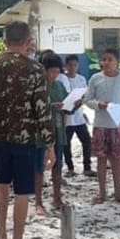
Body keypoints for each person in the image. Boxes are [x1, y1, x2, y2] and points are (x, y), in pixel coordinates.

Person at [0, 21, 54, 239]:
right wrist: (50, 143)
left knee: (1, 185)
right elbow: (42, 110)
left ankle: (1, 236)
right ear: (27, 40)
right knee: (22, 191)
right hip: (24, 138)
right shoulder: (34, 69)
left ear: (5, 40)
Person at [84, 48, 120, 204]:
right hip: (101, 124)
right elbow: (87, 99)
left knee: (116, 160)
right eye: (104, 59)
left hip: (117, 124)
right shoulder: (95, 78)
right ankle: (102, 193)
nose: (106, 63)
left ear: (117, 63)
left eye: (110, 60)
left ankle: (118, 192)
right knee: (101, 159)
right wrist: (97, 104)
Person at [35, 52, 68, 214]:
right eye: (52, 71)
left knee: (58, 166)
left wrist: (71, 103)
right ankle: (38, 202)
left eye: (57, 72)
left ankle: (56, 197)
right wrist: (50, 107)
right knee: (39, 167)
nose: (54, 75)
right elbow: (34, 109)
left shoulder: (59, 86)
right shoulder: (37, 87)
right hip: (40, 132)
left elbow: (67, 103)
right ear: (44, 70)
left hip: (58, 128)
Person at [63, 54, 94, 178]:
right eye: (70, 65)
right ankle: (70, 167)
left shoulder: (81, 79)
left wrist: (81, 100)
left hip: (79, 116)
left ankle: (87, 167)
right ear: (66, 66)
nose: (72, 67)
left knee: (86, 141)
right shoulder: (63, 79)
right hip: (67, 117)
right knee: (67, 144)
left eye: (75, 65)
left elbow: (85, 94)